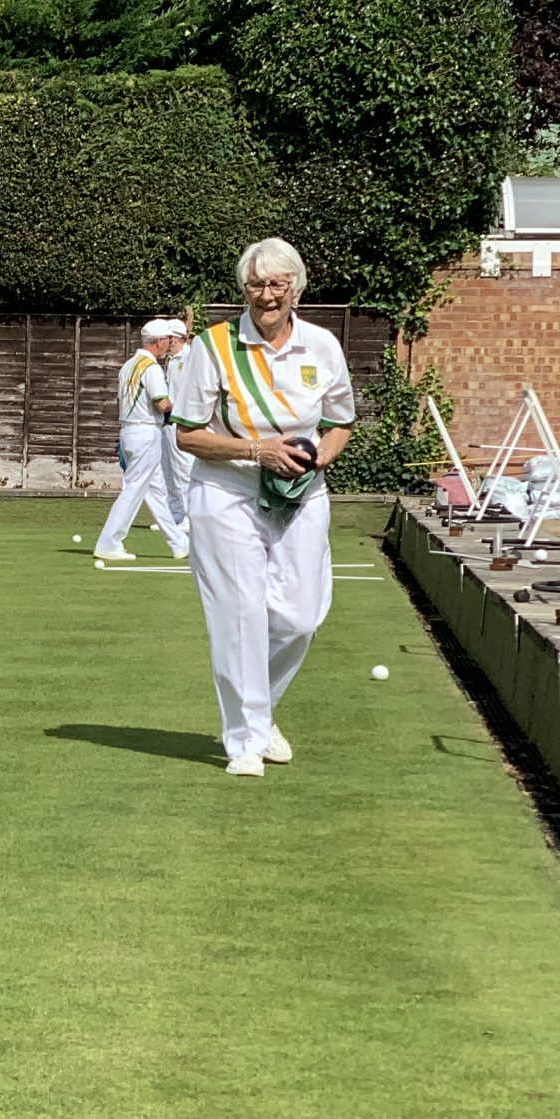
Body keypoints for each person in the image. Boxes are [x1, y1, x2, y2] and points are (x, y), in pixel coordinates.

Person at [170, 240, 354, 777]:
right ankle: (244, 741)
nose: (266, 296)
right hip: (226, 491)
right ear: (243, 289)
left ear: (296, 288)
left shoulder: (321, 345)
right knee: (239, 616)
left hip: (300, 493)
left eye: (277, 285)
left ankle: (261, 707)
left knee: (299, 618)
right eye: (256, 285)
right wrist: (258, 450)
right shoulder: (213, 346)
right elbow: (187, 435)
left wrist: (320, 457)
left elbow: (341, 420)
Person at [93, 318, 191, 562]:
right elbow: (162, 402)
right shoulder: (151, 368)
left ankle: (179, 543)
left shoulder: (128, 365)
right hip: (146, 432)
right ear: (159, 341)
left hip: (130, 431)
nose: (170, 343)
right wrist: (183, 414)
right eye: (168, 339)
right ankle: (109, 541)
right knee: (134, 489)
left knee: (156, 490)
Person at [156, 317, 192, 535]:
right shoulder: (170, 360)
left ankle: (189, 516)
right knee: (169, 472)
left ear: (175, 339)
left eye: (167, 338)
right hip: (167, 422)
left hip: (181, 422)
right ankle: (175, 514)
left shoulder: (189, 358)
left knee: (184, 471)